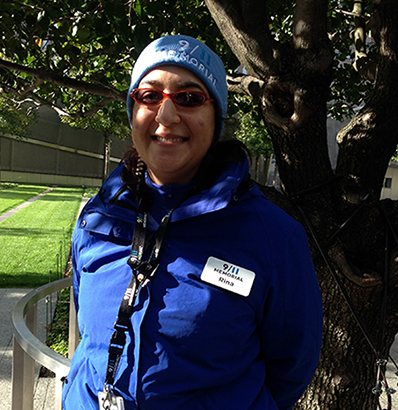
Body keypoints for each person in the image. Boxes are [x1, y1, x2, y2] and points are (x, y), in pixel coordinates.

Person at [62, 35, 323, 410]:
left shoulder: (274, 237)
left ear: (216, 117)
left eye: (188, 98)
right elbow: (89, 335)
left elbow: (292, 367)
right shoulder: (97, 218)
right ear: (132, 111)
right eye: (149, 96)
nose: (166, 117)